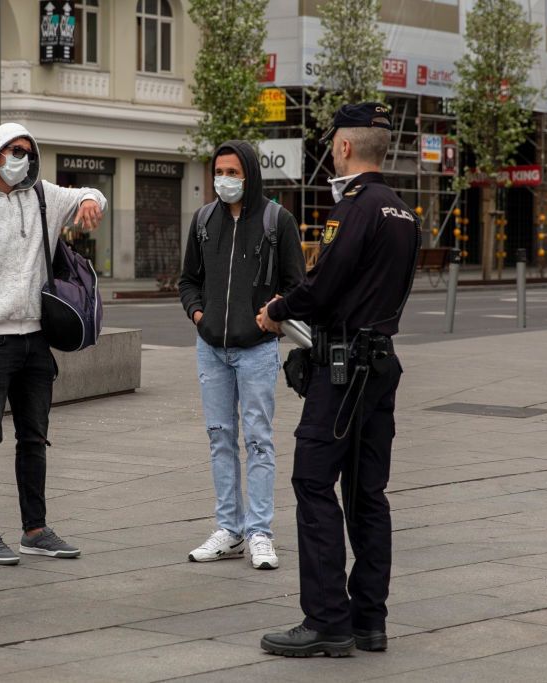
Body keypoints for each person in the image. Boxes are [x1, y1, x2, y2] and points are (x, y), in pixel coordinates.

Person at [257, 103, 420, 657]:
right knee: (367, 493)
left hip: (345, 367)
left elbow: (322, 286)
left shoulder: (354, 207)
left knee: (312, 480)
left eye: (332, 145)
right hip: (380, 363)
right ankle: (369, 620)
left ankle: (327, 621)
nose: (332, 153)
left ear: (345, 147)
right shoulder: (402, 210)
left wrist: (278, 307)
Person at [0, 122, 106, 566]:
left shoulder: (42, 196)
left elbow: (94, 193)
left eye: (28, 152)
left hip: (35, 339)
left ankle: (35, 529)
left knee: (34, 438)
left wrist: (89, 200)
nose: (22, 159)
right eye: (14, 150)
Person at [178, 140, 306, 570]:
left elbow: (296, 285)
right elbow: (187, 280)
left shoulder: (277, 220)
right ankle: (229, 530)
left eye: (234, 172)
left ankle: (260, 533)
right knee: (219, 438)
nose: (225, 180)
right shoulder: (203, 220)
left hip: (256, 350)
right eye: (220, 171)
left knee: (258, 440)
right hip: (211, 348)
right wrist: (198, 314)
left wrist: (272, 316)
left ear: (250, 174)